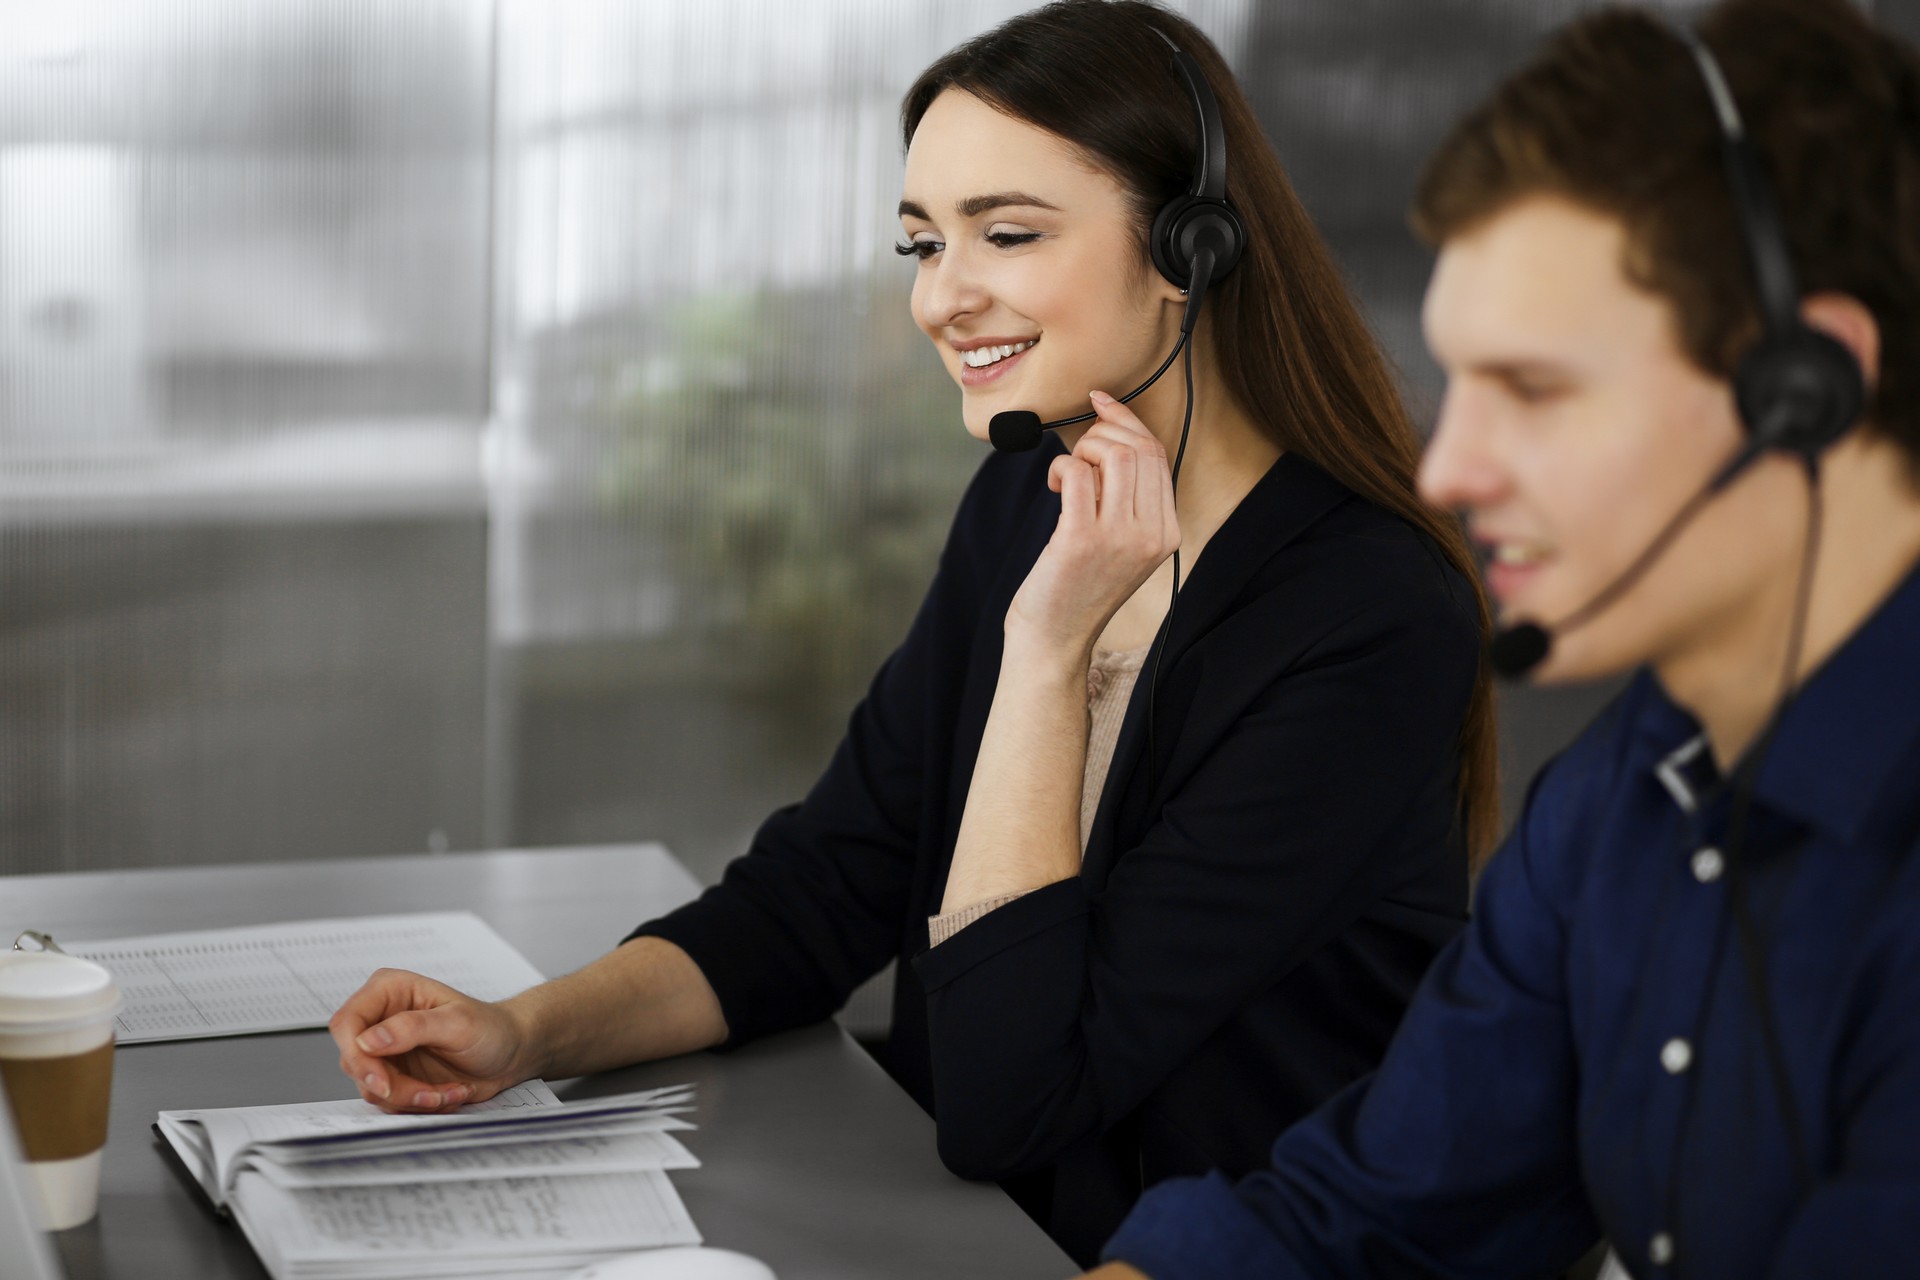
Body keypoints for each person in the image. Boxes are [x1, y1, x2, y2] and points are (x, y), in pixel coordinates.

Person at [328, 1, 1495, 1262]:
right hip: (985, 1230)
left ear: (1189, 250)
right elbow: (829, 880)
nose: (943, 296)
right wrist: (527, 1032)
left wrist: (1047, 650)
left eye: (1005, 233)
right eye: (921, 244)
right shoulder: (1026, 495)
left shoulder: (1366, 616)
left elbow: (1012, 1095)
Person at [1088, 1, 1920, 1276]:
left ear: (1804, 387)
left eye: (1534, 389)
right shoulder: (1627, 793)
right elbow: (1372, 1218)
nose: (1449, 472)